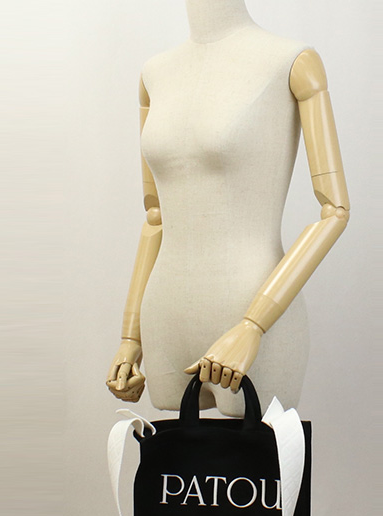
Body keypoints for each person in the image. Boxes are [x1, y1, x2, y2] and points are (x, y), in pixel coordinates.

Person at [106, 0, 350, 417]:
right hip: (164, 316)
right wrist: (131, 338)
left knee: (254, 454)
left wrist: (253, 324)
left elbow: (335, 209)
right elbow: (155, 216)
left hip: (255, 310)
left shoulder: (293, 62)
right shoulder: (153, 75)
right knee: (178, 457)